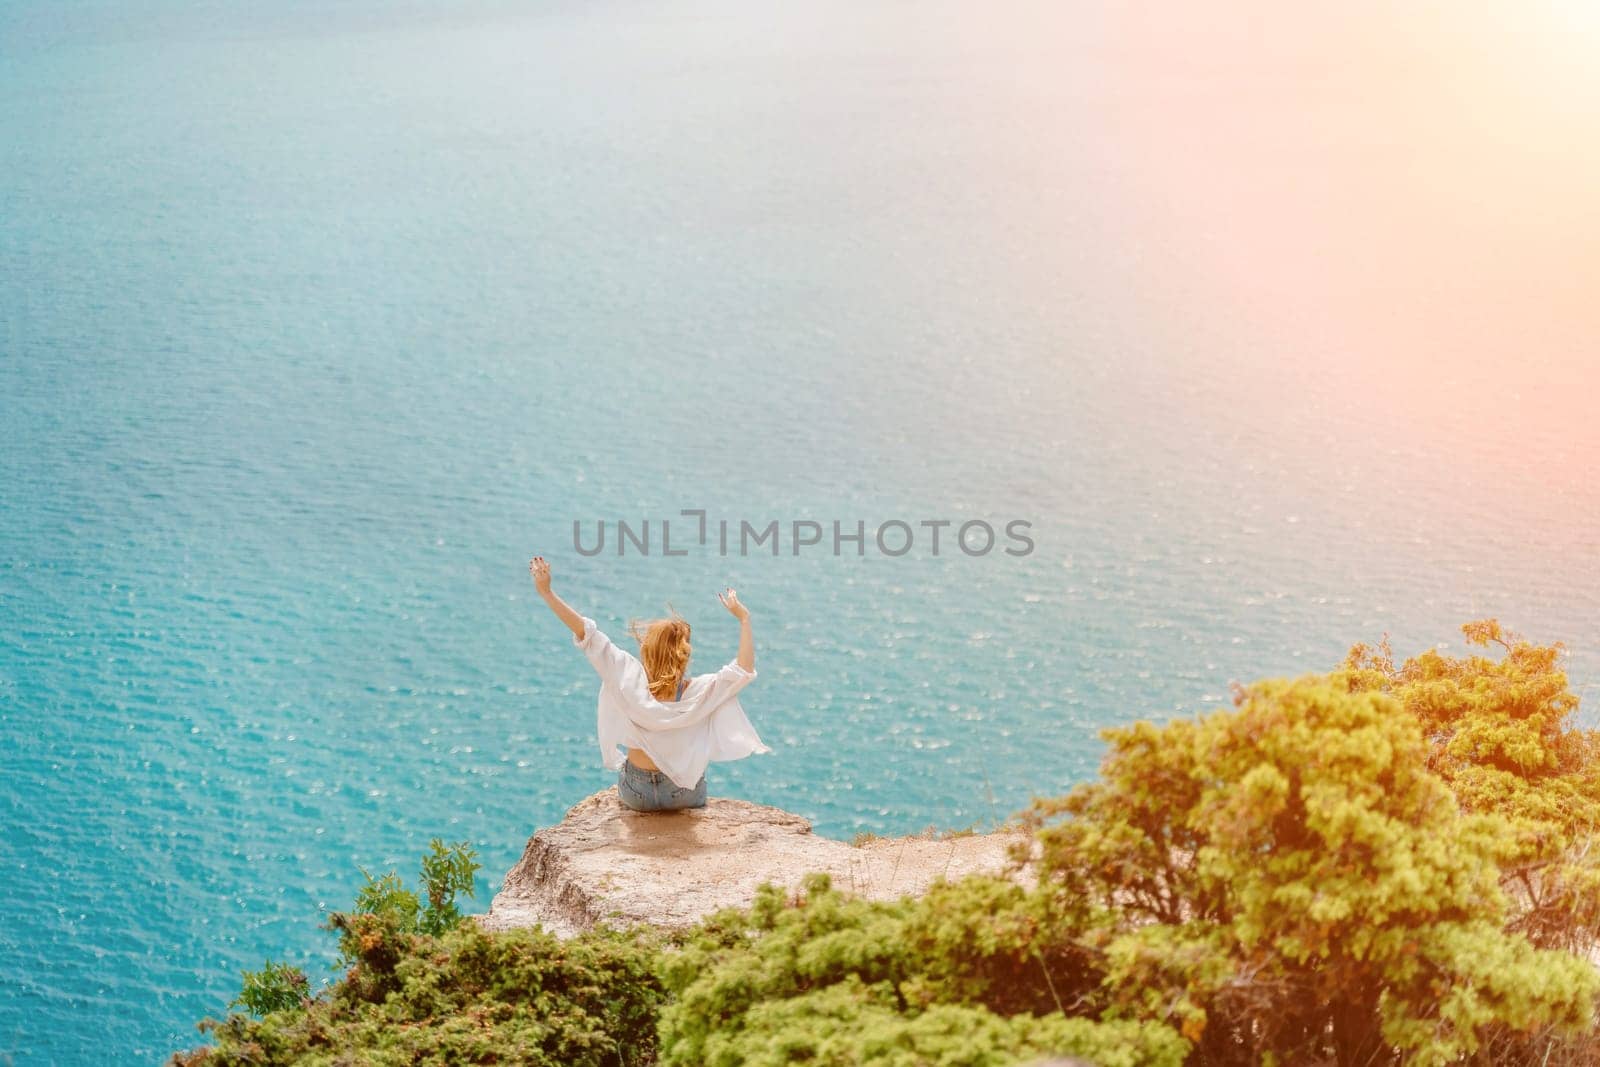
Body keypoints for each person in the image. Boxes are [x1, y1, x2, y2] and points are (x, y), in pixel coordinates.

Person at [529, 555, 769, 811]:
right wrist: (744, 619)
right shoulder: (699, 692)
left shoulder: (627, 677)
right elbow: (743, 669)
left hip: (638, 792)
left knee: (628, 770)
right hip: (682, 793)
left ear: (647, 650)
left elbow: (586, 633)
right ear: (684, 655)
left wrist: (547, 592)